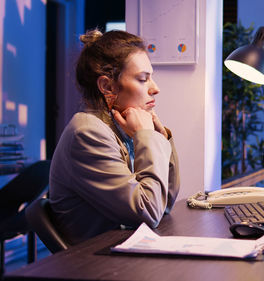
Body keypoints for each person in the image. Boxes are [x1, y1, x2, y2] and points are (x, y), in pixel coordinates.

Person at [49, 29, 180, 245]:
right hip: (96, 266)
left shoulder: (118, 127)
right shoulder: (88, 133)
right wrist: (145, 136)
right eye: (143, 79)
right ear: (107, 86)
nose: (155, 89)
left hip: (121, 252)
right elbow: (149, 211)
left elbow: (164, 204)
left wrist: (161, 137)